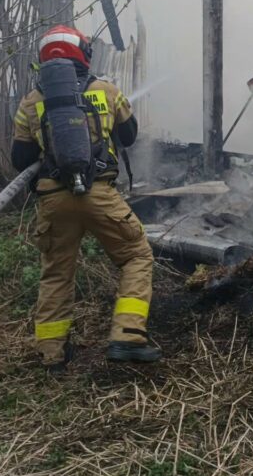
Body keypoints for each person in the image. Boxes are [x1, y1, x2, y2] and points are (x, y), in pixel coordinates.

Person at [11, 24, 161, 370]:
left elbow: (21, 160)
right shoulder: (106, 90)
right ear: (83, 54)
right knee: (136, 257)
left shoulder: (30, 102)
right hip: (98, 194)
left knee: (56, 274)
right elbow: (130, 135)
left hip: (53, 200)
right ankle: (127, 336)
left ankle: (51, 354)